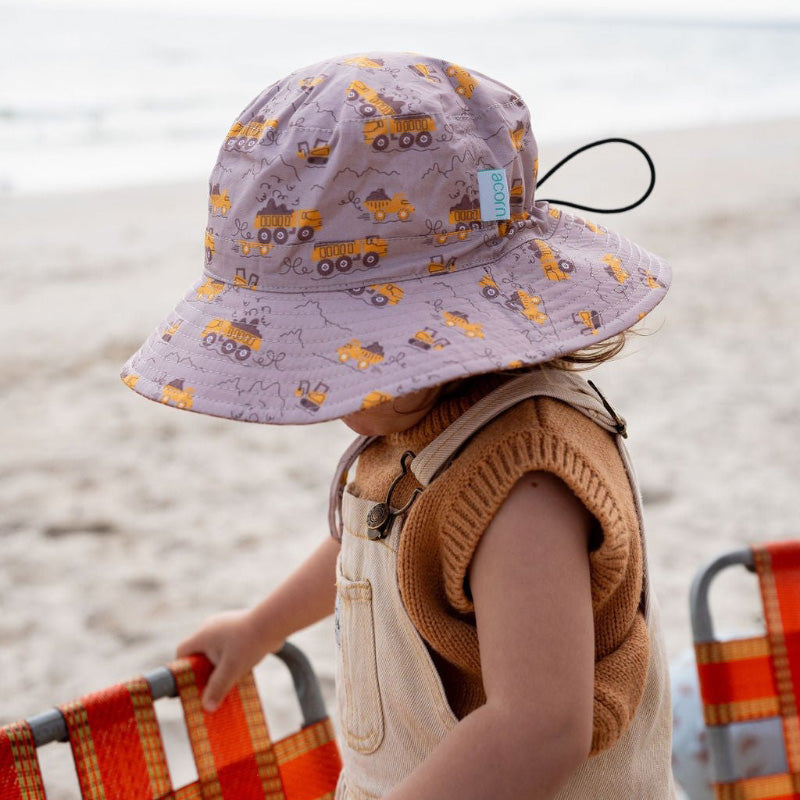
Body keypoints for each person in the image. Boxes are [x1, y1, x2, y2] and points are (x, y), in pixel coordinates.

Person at [122, 51, 675, 799]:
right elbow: (375, 541)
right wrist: (261, 625)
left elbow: (541, 726)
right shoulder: (418, 432)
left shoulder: (527, 477)